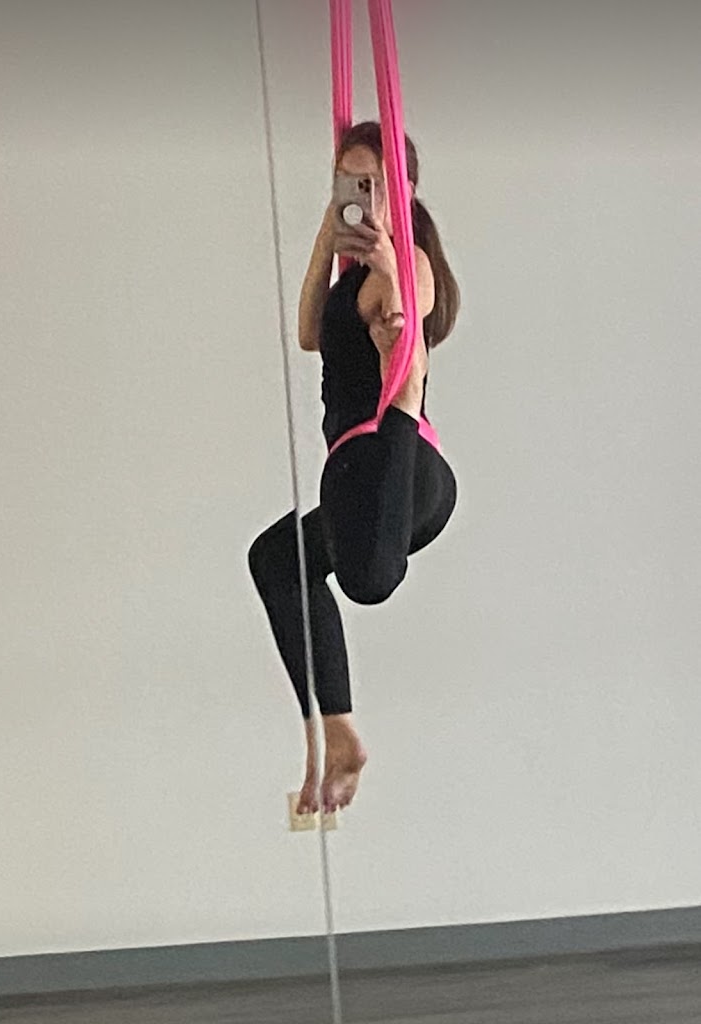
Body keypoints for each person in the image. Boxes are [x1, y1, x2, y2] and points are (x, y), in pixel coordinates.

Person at [248, 121, 460, 815]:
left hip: (394, 459)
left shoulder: (410, 261)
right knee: (279, 559)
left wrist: (392, 272)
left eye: (375, 184)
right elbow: (310, 332)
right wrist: (326, 234)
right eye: (350, 184)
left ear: (405, 190)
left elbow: (406, 334)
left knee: (367, 581)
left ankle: (341, 736)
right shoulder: (353, 276)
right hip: (366, 472)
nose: (362, 197)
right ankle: (337, 732)